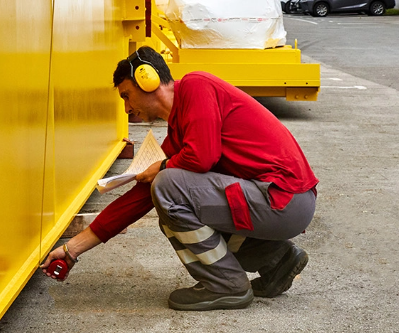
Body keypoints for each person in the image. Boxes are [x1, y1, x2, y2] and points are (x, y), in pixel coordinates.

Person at [39, 46, 319, 311]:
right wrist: (72, 249)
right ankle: (276, 260)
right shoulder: (180, 132)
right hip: (276, 201)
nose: (126, 108)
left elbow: (202, 156)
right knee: (169, 206)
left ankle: (226, 285)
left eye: (126, 95)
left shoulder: (198, 87)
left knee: (169, 187)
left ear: (146, 79)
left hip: (283, 199)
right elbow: (137, 200)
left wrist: (162, 166)